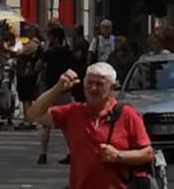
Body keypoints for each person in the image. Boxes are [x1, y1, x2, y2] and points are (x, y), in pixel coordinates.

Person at [27, 60, 153, 189]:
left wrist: (118, 156)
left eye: (99, 84)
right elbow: (33, 115)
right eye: (89, 83)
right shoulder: (73, 112)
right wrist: (57, 89)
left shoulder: (127, 114)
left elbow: (148, 154)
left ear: (112, 87)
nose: (93, 88)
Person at [37, 24, 74, 165]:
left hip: (50, 90)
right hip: (64, 90)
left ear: (55, 38)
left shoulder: (49, 53)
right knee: (66, 125)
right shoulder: (68, 53)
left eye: (50, 36)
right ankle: (70, 153)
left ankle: (43, 154)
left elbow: (37, 66)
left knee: (46, 124)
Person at [13, 24, 41, 126]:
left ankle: (28, 119)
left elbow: (19, 53)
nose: (27, 32)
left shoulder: (32, 44)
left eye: (29, 30)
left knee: (26, 97)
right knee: (27, 97)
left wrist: (10, 49)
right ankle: (28, 118)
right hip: (28, 73)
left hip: (26, 74)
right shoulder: (33, 43)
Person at [71, 24, 90, 102]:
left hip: (78, 69)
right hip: (84, 68)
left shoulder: (78, 42)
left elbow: (78, 56)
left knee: (77, 91)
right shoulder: (86, 42)